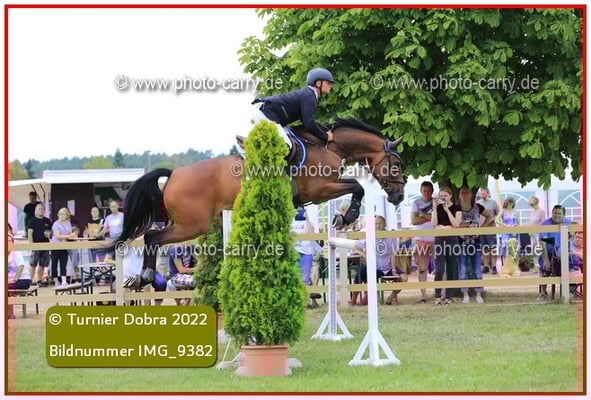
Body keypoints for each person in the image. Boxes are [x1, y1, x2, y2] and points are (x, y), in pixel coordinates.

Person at [251, 67, 335, 150]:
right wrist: (325, 136)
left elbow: (307, 122)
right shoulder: (309, 96)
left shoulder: (309, 94)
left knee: (292, 140)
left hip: (268, 112)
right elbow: (309, 124)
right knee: (286, 145)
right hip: (265, 110)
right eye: (328, 83)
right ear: (318, 83)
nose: (331, 86)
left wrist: (324, 131)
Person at [350, 216, 403, 305]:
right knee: (362, 270)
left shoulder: (391, 236)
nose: (377, 226)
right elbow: (356, 246)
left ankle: (391, 297)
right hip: (374, 268)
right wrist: (364, 255)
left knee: (404, 278)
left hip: (388, 267)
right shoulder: (369, 236)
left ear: (384, 224)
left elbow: (393, 254)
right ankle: (354, 299)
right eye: (375, 224)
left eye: (380, 223)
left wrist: (394, 270)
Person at [457, 186, 494, 304]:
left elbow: (490, 216)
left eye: (467, 192)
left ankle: (479, 294)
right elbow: (455, 224)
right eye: (462, 193)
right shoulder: (456, 209)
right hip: (461, 242)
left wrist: (482, 229)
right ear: (459, 195)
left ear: (471, 195)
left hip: (475, 242)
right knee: (462, 269)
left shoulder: (477, 207)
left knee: (477, 269)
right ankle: (465, 295)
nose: (464, 194)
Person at [431, 186, 462, 306]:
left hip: (452, 239)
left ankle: (448, 296)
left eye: (445, 196)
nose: (443, 198)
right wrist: (434, 208)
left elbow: (456, 224)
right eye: (441, 196)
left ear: (450, 196)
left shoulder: (456, 207)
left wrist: (447, 210)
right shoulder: (437, 207)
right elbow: (434, 223)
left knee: (451, 268)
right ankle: (438, 297)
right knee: (439, 269)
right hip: (439, 239)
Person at [538, 205, 574, 300]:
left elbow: (573, 238)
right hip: (549, 252)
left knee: (573, 261)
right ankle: (543, 293)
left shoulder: (568, 223)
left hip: (564, 253)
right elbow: (542, 242)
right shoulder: (546, 224)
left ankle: (570, 291)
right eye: (554, 213)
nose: (556, 215)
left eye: (559, 213)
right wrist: (546, 260)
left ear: (564, 215)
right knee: (544, 265)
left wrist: (572, 234)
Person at [411, 181, 435, 303]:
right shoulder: (416, 203)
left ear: (432, 191)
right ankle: (423, 296)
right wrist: (429, 217)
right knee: (422, 268)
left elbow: (437, 220)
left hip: (435, 239)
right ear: (421, 191)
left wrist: (423, 215)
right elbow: (414, 221)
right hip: (420, 239)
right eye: (424, 191)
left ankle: (440, 294)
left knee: (440, 267)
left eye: (429, 191)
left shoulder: (436, 202)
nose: (426, 193)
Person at [8, 225, 32, 319]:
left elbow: (20, 266)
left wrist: (14, 279)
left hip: (22, 280)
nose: (8, 243)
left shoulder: (16, 253)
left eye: (9, 241)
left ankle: (10, 315)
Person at [50, 207, 77, 287]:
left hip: (65, 246)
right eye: (61, 214)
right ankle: (55, 280)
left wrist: (73, 235)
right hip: (55, 246)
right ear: (58, 215)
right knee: (54, 263)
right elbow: (57, 236)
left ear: (67, 215)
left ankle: (64, 281)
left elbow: (70, 234)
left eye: (64, 214)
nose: (62, 215)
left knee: (63, 263)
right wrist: (68, 236)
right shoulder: (56, 224)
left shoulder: (68, 223)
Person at [27, 203, 52, 286]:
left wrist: (50, 234)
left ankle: (39, 281)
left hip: (45, 245)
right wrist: (32, 245)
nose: (41, 210)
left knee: (42, 264)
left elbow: (51, 233)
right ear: (36, 211)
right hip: (36, 245)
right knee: (33, 264)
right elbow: (29, 233)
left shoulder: (47, 221)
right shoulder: (32, 221)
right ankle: (29, 281)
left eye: (42, 209)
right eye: (39, 209)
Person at [496, 197, 521, 275]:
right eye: (509, 203)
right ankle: (506, 268)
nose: (510, 205)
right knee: (506, 250)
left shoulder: (516, 212)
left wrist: (516, 227)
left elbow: (519, 223)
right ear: (506, 203)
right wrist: (505, 226)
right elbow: (496, 220)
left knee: (516, 250)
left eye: (512, 203)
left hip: (515, 233)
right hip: (506, 233)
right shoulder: (502, 211)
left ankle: (516, 268)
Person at [477, 188, 499, 274]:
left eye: (483, 192)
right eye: (481, 192)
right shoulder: (478, 203)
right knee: (484, 247)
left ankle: (494, 266)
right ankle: (486, 266)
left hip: (491, 228)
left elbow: (498, 214)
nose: (482, 193)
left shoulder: (493, 202)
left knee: (492, 247)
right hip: (481, 229)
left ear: (488, 193)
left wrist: (492, 219)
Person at [527, 196, 546, 270]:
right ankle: (536, 266)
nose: (531, 206)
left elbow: (543, 223)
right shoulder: (532, 211)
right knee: (533, 250)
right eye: (530, 205)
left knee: (539, 250)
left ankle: (541, 265)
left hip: (538, 234)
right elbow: (531, 222)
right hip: (532, 234)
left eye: (532, 205)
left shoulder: (542, 211)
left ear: (536, 203)